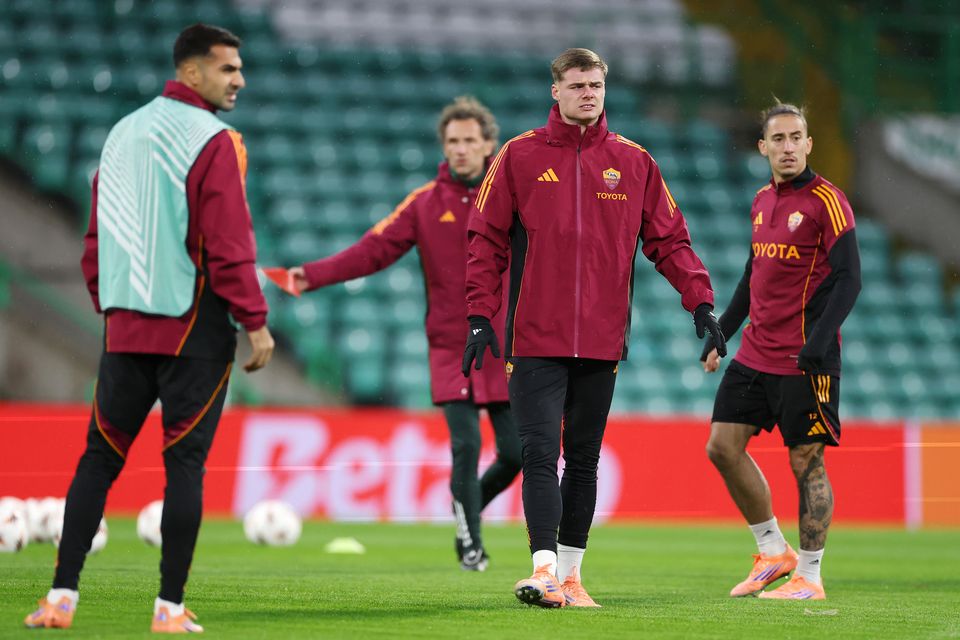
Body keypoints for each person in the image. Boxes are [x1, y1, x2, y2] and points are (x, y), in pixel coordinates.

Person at [24, 24, 274, 633]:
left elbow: (96, 237)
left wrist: (110, 303)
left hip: (126, 329)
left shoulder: (122, 132)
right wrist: (255, 321)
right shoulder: (216, 141)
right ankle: (168, 609)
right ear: (192, 71)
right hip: (194, 331)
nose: (239, 80)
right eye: (228, 68)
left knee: (97, 461)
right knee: (184, 466)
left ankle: (60, 598)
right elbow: (228, 243)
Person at [463, 48, 725, 608]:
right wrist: (480, 316)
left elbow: (670, 241)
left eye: (596, 85)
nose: (588, 93)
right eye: (577, 85)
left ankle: (573, 578)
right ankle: (544, 572)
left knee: (582, 459)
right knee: (539, 453)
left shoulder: (634, 162)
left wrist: (701, 304)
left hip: (603, 338)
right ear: (555, 91)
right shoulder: (518, 155)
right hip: (534, 335)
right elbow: (484, 239)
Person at [289, 96, 521, 572]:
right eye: (452, 141)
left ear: (488, 145)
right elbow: (372, 251)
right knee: (465, 446)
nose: (460, 149)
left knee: (517, 452)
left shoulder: (512, 197)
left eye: (469, 140)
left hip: (505, 341)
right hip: (451, 343)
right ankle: (471, 544)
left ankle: (466, 504)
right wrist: (310, 276)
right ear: (444, 146)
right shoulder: (424, 204)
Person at [700, 102, 861, 601]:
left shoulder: (827, 201)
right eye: (778, 139)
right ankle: (773, 551)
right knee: (721, 447)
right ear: (763, 147)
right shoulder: (761, 201)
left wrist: (819, 342)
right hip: (755, 353)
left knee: (805, 462)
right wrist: (722, 331)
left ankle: (809, 577)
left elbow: (849, 279)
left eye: (796, 138)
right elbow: (753, 275)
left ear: (809, 144)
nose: (788, 147)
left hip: (806, 359)